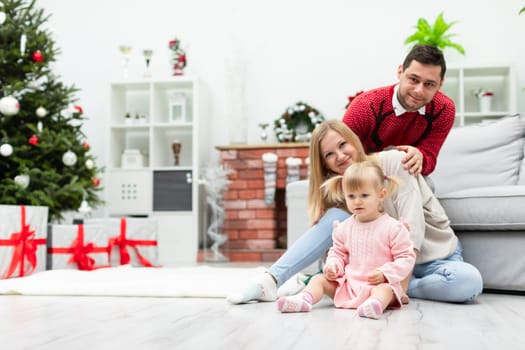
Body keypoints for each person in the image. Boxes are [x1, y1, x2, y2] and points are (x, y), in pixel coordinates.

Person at [226, 119, 482, 305]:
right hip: (383, 270)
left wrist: (400, 285)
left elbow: (411, 223)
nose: (339, 155)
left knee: (468, 282)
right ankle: (270, 280)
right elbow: (341, 249)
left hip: (435, 257)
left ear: (354, 140)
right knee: (336, 218)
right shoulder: (343, 196)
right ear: (324, 164)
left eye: (342, 145)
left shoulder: (393, 161)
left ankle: (375, 290)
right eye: (329, 154)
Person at [277, 161, 416, 319]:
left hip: (378, 284)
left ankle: (374, 304)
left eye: (364, 195)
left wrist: (385, 274)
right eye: (351, 196)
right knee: (319, 279)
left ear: (381, 195)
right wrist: (333, 266)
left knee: (385, 290)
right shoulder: (344, 228)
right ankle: (304, 299)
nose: (357, 201)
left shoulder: (393, 228)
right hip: (349, 285)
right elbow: (337, 253)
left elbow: (406, 257)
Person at [342, 44, 455, 177]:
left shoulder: (444, 110)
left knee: (428, 184)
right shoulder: (364, 106)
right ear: (400, 72)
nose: (419, 91)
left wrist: (421, 157)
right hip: (361, 176)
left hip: (406, 175)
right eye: (413, 79)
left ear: (440, 84)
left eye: (429, 84)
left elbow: (429, 159)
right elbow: (343, 158)